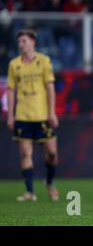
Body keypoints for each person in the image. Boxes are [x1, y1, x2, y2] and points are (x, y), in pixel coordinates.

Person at [7, 29, 60, 202]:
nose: (20, 44)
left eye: (24, 41)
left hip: (43, 115)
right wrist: (10, 115)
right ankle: (30, 192)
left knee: (52, 153)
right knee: (25, 154)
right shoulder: (14, 64)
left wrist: (52, 112)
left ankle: (49, 183)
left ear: (33, 42)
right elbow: (11, 90)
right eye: (19, 41)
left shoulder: (44, 61)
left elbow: (50, 88)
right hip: (23, 115)